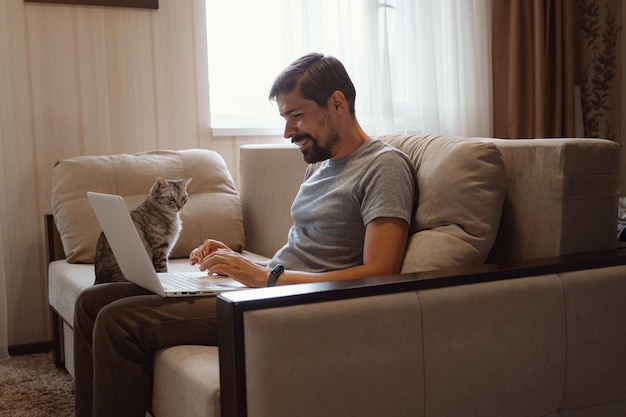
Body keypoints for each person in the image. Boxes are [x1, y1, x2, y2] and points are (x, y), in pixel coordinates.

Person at [74, 52, 417, 417]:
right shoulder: (319, 165)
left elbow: (381, 273)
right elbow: (307, 251)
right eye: (284, 118)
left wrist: (265, 277)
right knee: (91, 302)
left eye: (296, 116)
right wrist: (239, 263)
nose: (288, 132)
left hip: (297, 305)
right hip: (268, 288)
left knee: (119, 322)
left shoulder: (384, 167)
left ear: (337, 103)